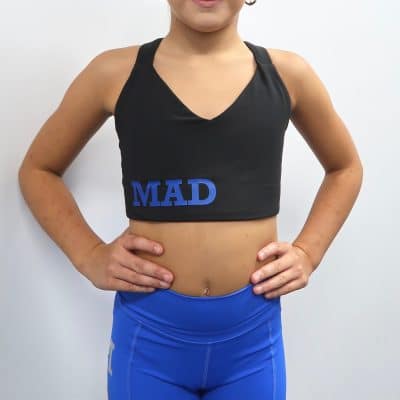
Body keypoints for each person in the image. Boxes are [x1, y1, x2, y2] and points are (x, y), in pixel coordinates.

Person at [18, 0, 363, 399]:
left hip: (252, 343)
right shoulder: (113, 74)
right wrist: (89, 254)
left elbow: (345, 168)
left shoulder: (288, 75)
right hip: (148, 339)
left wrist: (308, 252)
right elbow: (38, 170)